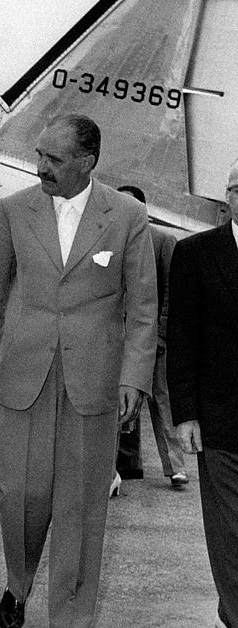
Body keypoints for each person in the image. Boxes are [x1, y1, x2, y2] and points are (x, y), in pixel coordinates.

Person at [0, 114, 157, 628]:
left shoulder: (126, 216)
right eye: (40, 156)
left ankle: (70, 623)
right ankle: (19, 579)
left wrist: (134, 379)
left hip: (94, 381)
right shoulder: (13, 210)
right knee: (20, 495)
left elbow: (142, 307)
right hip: (24, 374)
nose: (42, 167)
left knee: (80, 505)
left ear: (87, 162)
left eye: (54, 159)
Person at [167, 158, 238, 628]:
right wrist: (185, 413)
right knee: (229, 523)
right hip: (220, 415)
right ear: (228, 195)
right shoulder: (195, 253)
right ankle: (236, 618)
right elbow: (182, 339)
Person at [116, 184, 187, 490]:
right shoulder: (114, 241)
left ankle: (175, 467)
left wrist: (161, 333)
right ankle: (121, 466)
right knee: (121, 401)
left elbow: (173, 291)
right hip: (120, 337)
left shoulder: (162, 241)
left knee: (162, 400)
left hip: (154, 339)